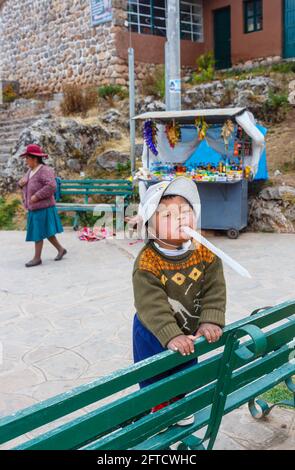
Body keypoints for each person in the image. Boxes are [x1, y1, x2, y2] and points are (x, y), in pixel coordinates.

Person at [131, 176, 226, 426]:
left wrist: (210, 319)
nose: (181, 218)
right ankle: (159, 408)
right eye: (169, 216)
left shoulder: (204, 252)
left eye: (185, 212)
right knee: (155, 375)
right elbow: (151, 304)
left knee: (185, 368)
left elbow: (214, 288)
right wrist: (171, 335)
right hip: (154, 329)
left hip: (189, 326)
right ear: (152, 227)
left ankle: (180, 403)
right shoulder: (148, 262)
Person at [18, 144, 67, 267]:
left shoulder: (45, 170)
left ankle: (37, 258)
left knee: (38, 233)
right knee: (48, 232)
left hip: (43, 207)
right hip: (34, 207)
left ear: (34, 158)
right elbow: (24, 183)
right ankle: (61, 249)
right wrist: (20, 184)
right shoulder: (30, 170)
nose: (26, 161)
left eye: (27, 158)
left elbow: (52, 186)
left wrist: (36, 196)